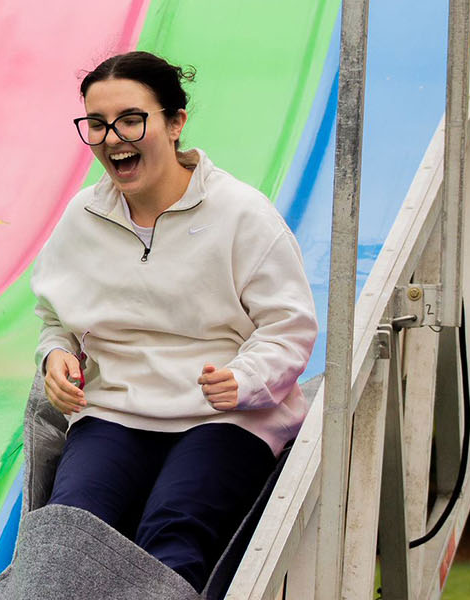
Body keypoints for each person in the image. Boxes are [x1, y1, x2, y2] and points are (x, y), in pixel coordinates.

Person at [30, 51, 317, 590]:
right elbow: (55, 318)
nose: (113, 137)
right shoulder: (81, 218)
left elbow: (289, 328)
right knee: (69, 533)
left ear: (175, 121)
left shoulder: (241, 214)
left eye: (132, 119)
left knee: (174, 536)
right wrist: (57, 355)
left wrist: (245, 378)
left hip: (223, 416)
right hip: (115, 409)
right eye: (97, 124)